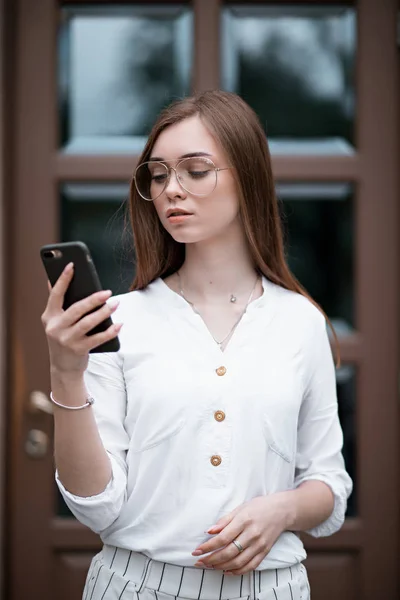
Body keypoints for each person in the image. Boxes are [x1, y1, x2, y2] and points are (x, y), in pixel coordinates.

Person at [41, 90, 352, 600]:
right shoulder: (121, 319)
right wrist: (66, 374)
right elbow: (97, 506)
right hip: (135, 584)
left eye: (196, 170)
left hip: (273, 588)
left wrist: (283, 510)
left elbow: (329, 485)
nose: (171, 190)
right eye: (159, 175)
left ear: (247, 177)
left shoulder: (300, 321)